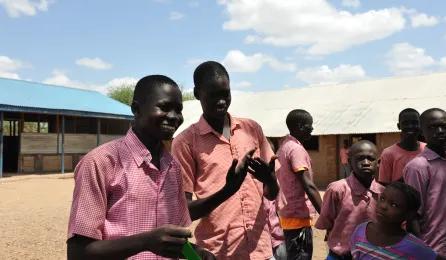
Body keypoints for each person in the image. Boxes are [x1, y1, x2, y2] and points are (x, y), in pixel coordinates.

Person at [66, 75, 215, 260]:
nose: (174, 117)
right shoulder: (101, 162)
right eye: (164, 107)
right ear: (136, 109)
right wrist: (145, 242)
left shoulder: (173, 167)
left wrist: (197, 253)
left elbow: (169, 241)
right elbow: (78, 254)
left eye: (178, 110)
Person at [171, 61, 280, 260]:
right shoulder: (186, 142)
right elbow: (184, 212)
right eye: (213, 96)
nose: (221, 101)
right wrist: (227, 191)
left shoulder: (251, 129)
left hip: (261, 250)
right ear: (197, 94)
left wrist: (270, 180)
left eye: (225, 94)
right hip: (218, 252)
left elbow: (272, 195)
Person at [404, 108, 446, 259]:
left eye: (445, 126)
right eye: (433, 127)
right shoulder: (418, 167)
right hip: (436, 251)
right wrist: (424, 253)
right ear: (422, 133)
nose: (441, 131)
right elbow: (411, 216)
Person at [315, 140, 384, 260]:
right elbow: (327, 221)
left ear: (378, 163)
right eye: (359, 159)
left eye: (370, 159)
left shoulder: (382, 193)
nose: (366, 163)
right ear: (350, 162)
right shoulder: (337, 189)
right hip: (339, 256)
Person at [349, 182, 444, 260]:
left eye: (393, 205)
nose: (383, 206)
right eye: (382, 199)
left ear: (409, 214)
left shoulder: (413, 246)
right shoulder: (361, 230)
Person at [275, 109, 322, 260]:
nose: (312, 129)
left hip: (288, 215)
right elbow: (308, 185)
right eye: (310, 125)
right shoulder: (296, 150)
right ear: (301, 126)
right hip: (297, 218)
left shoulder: (284, 147)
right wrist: (326, 214)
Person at [378, 108, 425, 185]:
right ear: (399, 126)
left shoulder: (428, 149)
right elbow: (384, 185)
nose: (410, 126)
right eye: (405, 123)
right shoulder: (389, 153)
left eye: (415, 123)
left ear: (421, 125)